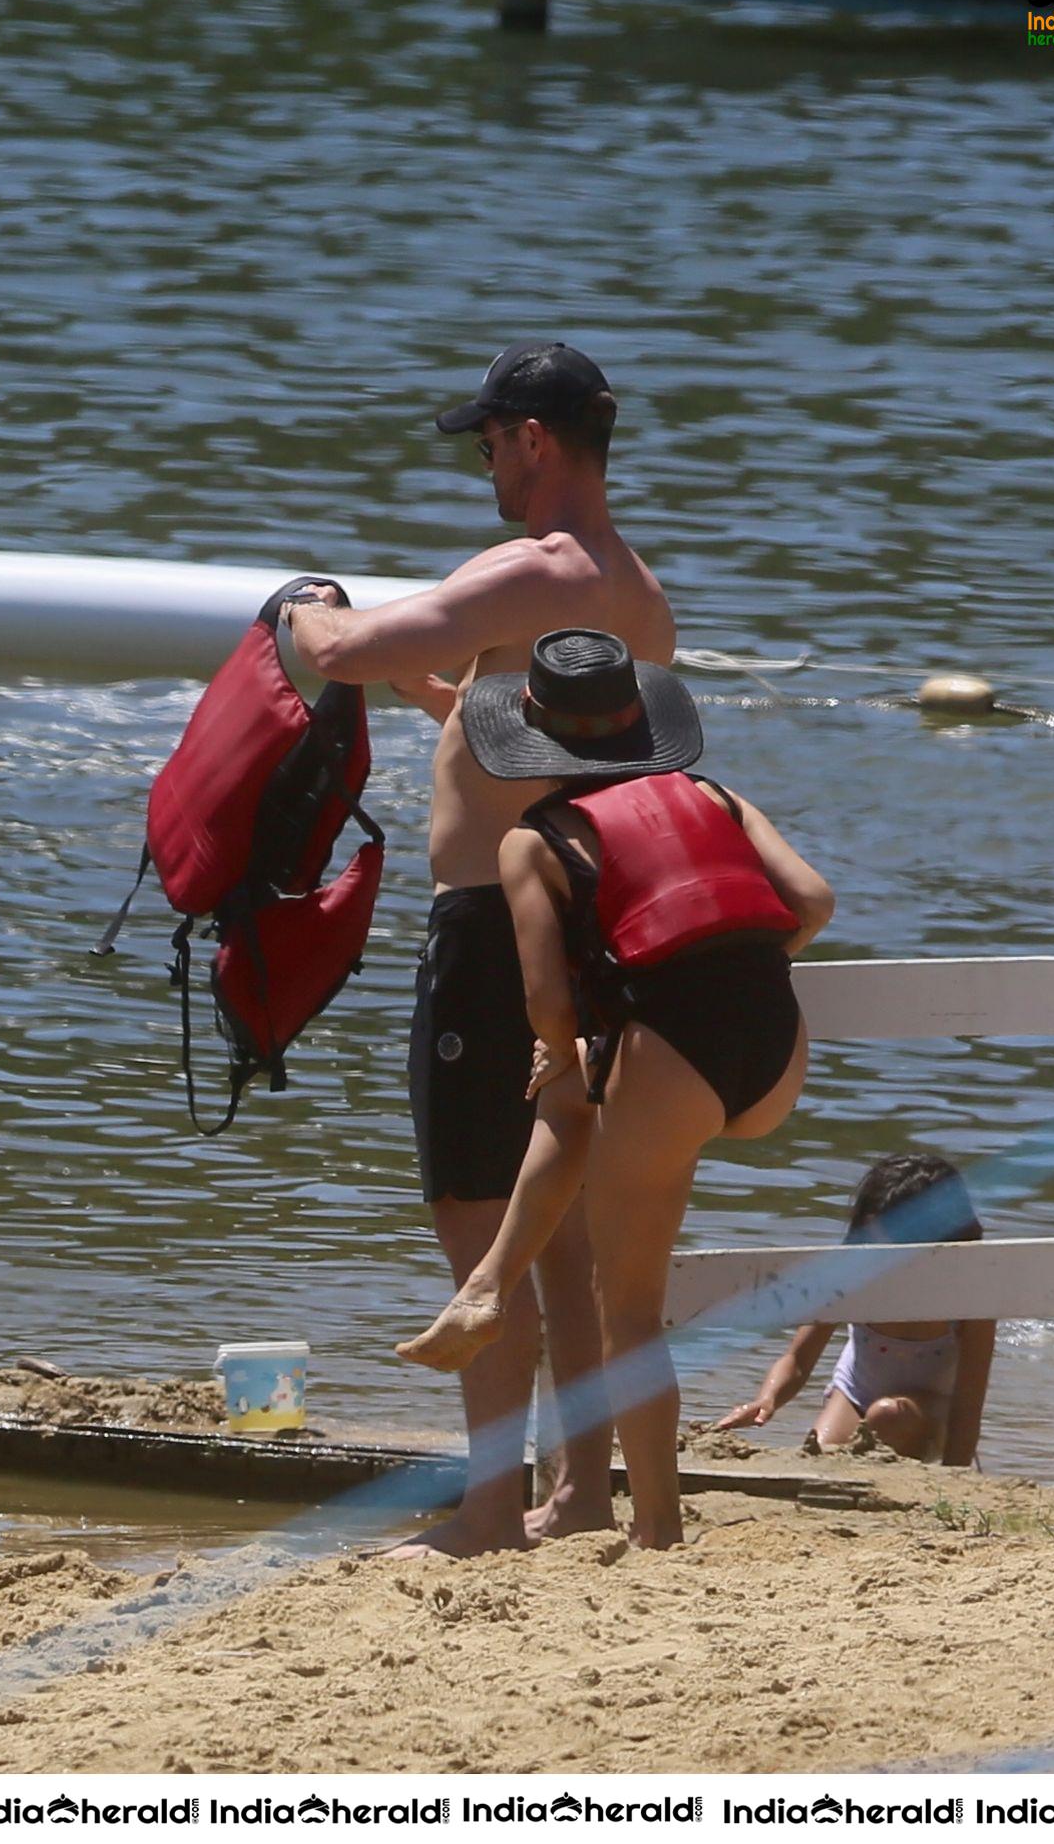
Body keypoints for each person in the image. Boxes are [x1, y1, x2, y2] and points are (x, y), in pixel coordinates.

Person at [286, 343, 674, 1557]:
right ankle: (574, 1485)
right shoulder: (636, 593)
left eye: (488, 443)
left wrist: (301, 608)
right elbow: (565, 751)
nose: (484, 467)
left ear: (535, 443)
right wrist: (446, 709)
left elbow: (337, 651)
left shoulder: (528, 568)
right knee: (552, 1220)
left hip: (483, 929)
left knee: (472, 1214)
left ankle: (490, 1509)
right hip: (579, 924)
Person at [397, 630, 834, 1551]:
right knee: (577, 1099)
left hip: (671, 1064)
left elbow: (546, 999)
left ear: (534, 740)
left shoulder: (534, 840)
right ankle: (489, 1281)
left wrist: (556, 1046)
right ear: (642, 728)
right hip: (774, 1048)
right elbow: (814, 900)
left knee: (625, 1301)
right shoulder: (714, 793)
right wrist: (750, 968)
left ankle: (657, 1532)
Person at [715, 1153, 995, 1466]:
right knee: (818, 1459)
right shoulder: (847, 1274)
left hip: (933, 1411)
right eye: (869, 1238)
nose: (876, 1256)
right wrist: (767, 1399)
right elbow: (797, 1360)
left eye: (891, 1242)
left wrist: (954, 1477)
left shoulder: (969, 1293)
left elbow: (968, 1407)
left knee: (888, 1416)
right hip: (855, 1394)